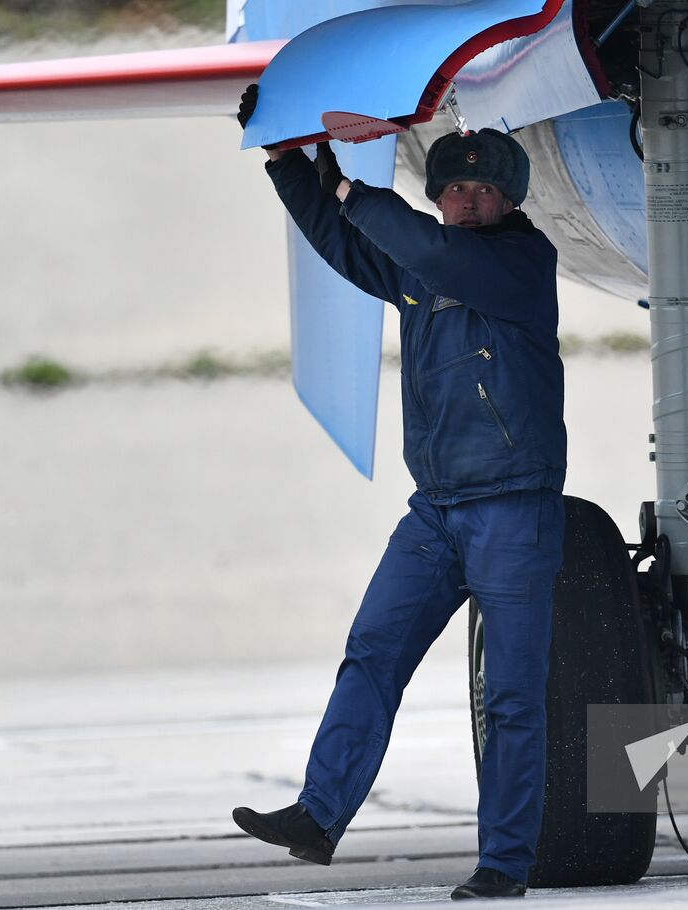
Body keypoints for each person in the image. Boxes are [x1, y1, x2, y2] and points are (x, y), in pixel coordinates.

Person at [231, 84, 566, 900]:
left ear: (509, 197)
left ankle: (505, 864)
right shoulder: (423, 262)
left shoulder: (520, 264)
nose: (465, 200)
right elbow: (345, 246)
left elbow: (433, 251)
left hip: (513, 507)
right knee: (372, 652)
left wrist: (352, 186)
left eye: (482, 189)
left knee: (514, 696)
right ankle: (318, 816)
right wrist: (289, 160)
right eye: (452, 187)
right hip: (438, 510)